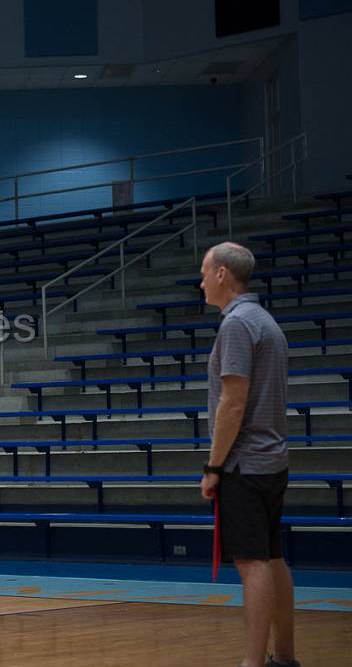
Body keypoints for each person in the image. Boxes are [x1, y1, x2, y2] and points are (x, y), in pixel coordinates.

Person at [198, 242, 298, 667]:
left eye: (204, 272)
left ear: (222, 274)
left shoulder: (237, 325)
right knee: (273, 559)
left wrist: (214, 466)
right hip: (272, 460)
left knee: (252, 563)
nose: (201, 281)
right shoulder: (265, 321)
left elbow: (233, 402)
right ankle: (285, 657)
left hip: (245, 462)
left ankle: (252, 663)